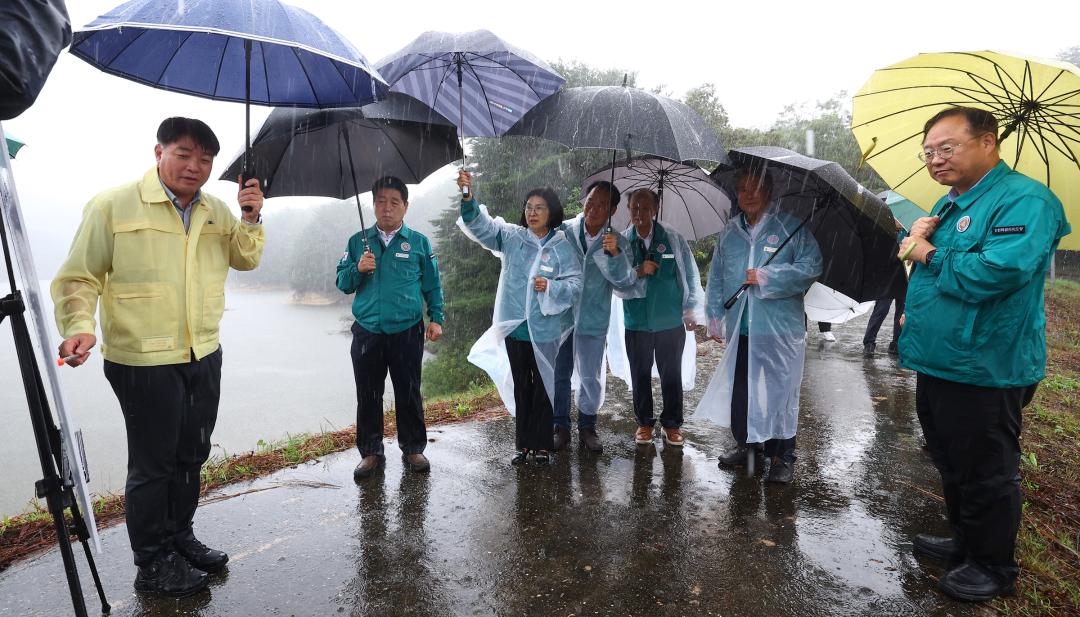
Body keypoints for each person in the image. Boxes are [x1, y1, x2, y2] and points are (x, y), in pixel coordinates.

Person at [51, 117, 265, 598]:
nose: (195, 167)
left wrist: (249, 217)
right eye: (184, 154)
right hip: (141, 359)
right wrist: (79, 326)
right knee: (154, 463)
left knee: (192, 454)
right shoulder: (113, 206)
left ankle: (178, 537)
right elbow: (78, 278)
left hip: (203, 350)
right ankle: (152, 561)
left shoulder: (215, 211)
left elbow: (246, 259)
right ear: (158, 152)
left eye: (205, 159)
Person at [897, 106, 1070, 602]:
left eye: (947, 148)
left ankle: (993, 565)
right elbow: (928, 266)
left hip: (987, 365)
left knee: (986, 467)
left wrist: (925, 250)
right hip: (940, 358)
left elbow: (994, 274)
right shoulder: (949, 204)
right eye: (928, 151)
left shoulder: (1027, 202)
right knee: (950, 457)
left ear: (988, 142)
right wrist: (917, 237)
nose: (935, 159)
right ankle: (966, 541)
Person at [696, 169, 822, 483]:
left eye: (755, 188)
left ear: (768, 191)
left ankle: (781, 456)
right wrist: (713, 316)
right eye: (742, 189)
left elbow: (811, 267)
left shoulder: (791, 228)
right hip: (741, 327)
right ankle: (749, 447)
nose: (748, 194)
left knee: (779, 394)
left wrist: (769, 276)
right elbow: (718, 277)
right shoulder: (730, 232)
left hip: (779, 329)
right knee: (742, 393)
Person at [456, 170, 582, 465]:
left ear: (551, 212)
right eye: (529, 207)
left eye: (539, 208)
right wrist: (467, 195)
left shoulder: (561, 246)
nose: (533, 212)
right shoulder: (513, 238)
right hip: (515, 329)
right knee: (522, 388)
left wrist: (551, 286)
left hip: (546, 331)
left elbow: (576, 285)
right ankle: (524, 446)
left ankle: (542, 447)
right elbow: (480, 225)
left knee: (543, 388)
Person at [336, 176, 444, 481]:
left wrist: (436, 318)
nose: (387, 208)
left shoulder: (418, 242)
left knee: (409, 391)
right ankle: (371, 453)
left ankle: (413, 448)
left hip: (407, 330)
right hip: (368, 331)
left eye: (394, 202)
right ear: (373, 205)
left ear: (405, 206)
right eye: (381, 201)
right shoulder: (358, 242)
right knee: (368, 394)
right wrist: (357, 269)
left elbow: (432, 285)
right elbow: (342, 283)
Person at [551, 180, 636, 453]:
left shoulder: (618, 241)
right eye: (590, 201)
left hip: (593, 319)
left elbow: (626, 283)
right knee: (559, 373)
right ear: (583, 201)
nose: (593, 208)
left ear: (612, 210)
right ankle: (559, 425)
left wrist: (615, 255)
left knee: (590, 376)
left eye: (601, 204)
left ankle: (587, 426)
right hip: (562, 317)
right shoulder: (563, 231)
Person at [619, 188, 704, 448]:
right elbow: (617, 283)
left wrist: (691, 308)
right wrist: (638, 271)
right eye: (634, 207)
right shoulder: (621, 242)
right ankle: (644, 423)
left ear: (655, 209)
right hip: (637, 321)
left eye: (645, 208)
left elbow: (689, 275)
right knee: (640, 373)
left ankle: (672, 424)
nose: (639, 213)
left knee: (671, 374)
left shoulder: (673, 239)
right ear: (628, 209)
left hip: (669, 320)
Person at [862, 276, 906, 357]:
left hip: (905, 276)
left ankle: (896, 344)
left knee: (902, 313)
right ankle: (869, 343)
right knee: (881, 310)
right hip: (888, 276)